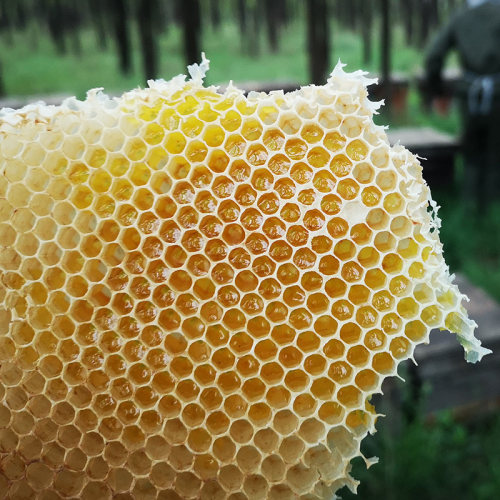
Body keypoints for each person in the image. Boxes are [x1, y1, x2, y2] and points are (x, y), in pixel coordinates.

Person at [425, 0, 500, 210]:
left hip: (469, 95)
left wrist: (438, 91)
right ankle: (492, 212)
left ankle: (470, 206)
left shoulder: (461, 17)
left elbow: (434, 57)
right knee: (495, 155)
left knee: (472, 155)